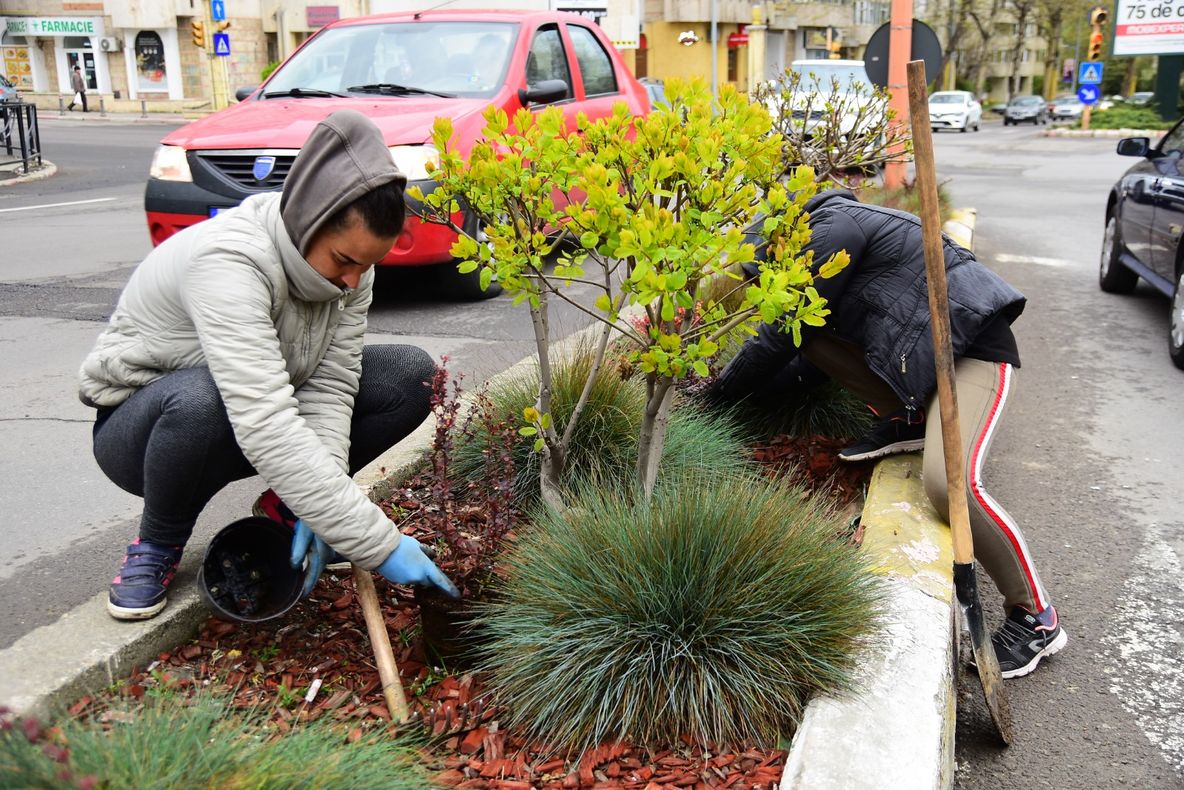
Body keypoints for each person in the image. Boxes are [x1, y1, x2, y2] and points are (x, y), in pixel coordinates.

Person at [79, 109, 458, 621]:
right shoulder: (230, 261)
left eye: (366, 265)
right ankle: (158, 542)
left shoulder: (352, 274)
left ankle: (290, 506)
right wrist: (381, 545)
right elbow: (266, 420)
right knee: (201, 399)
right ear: (308, 219)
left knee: (409, 373)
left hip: (253, 414)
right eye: (344, 260)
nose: (352, 281)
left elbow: (330, 386)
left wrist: (321, 504)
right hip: (147, 432)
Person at [706, 188, 1067, 679]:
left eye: (765, 270)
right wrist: (730, 401)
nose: (764, 283)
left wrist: (715, 396)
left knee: (950, 487)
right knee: (810, 336)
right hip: (922, 369)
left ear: (780, 241)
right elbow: (802, 359)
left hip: (973, 355)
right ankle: (914, 419)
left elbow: (778, 335)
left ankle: (1036, 616)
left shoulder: (831, 227)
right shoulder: (825, 241)